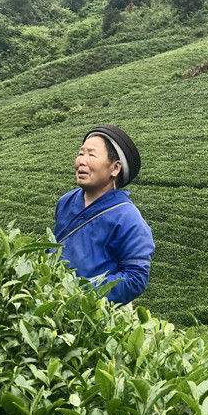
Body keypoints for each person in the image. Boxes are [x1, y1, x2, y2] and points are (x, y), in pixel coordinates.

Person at [52, 125, 154, 304]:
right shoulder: (66, 202)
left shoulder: (128, 218)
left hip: (92, 313)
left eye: (91, 155)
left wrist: (83, 293)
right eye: (81, 153)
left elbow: (136, 278)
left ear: (115, 168)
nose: (82, 161)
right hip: (55, 302)